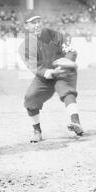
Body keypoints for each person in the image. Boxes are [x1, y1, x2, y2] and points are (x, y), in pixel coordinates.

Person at [19, 13, 83, 143]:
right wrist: (48, 72)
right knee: (30, 98)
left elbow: (69, 49)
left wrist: (67, 61)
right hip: (45, 75)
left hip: (62, 70)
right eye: (33, 23)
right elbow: (34, 66)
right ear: (26, 26)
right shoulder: (24, 46)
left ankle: (76, 123)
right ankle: (37, 131)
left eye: (38, 21)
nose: (37, 25)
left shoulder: (54, 35)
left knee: (66, 91)